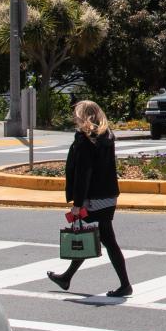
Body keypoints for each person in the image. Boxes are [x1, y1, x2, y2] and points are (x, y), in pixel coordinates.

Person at [46, 100, 132, 297]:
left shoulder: (85, 140)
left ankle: (125, 284)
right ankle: (66, 277)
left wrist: (77, 203)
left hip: (93, 197)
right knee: (95, 236)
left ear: (82, 116)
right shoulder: (107, 135)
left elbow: (84, 173)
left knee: (96, 237)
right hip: (108, 195)